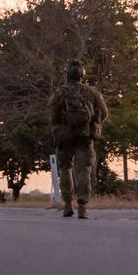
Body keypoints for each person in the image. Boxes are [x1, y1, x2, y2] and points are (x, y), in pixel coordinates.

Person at [48, 60, 108, 219]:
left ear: (67, 73)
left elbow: (53, 116)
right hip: (85, 137)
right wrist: (93, 121)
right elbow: (104, 112)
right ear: (82, 74)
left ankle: (68, 205)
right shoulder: (92, 92)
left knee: (65, 169)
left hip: (65, 137)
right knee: (84, 171)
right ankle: (82, 207)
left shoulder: (59, 92)